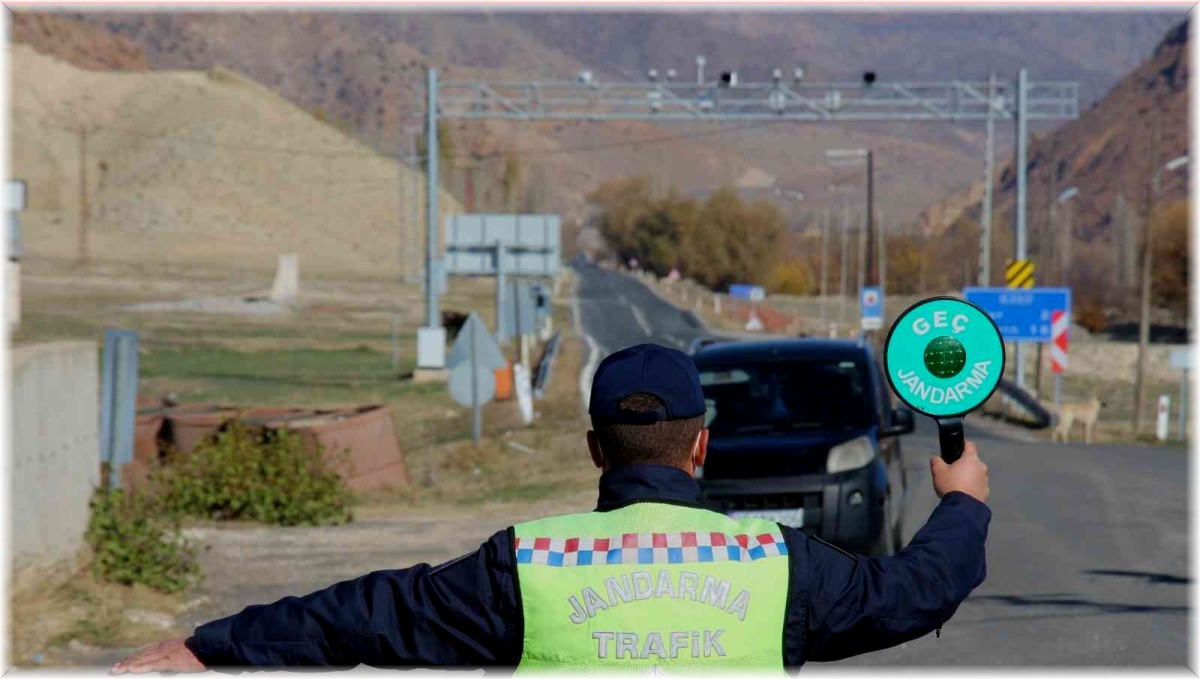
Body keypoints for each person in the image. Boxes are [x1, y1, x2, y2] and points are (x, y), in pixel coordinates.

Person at [111, 343, 990, 673]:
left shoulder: (528, 563)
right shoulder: (776, 563)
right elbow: (919, 588)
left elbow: (365, 616)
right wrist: (962, 503)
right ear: (700, 447)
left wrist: (209, 645)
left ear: (594, 449)